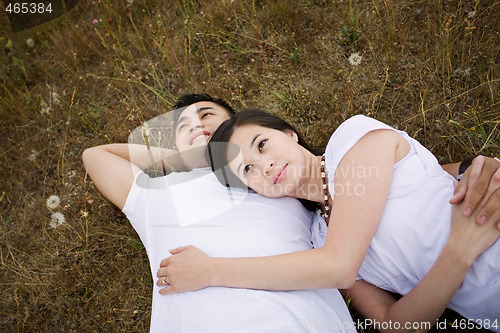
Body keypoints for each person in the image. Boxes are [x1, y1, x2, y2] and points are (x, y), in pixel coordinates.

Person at [156, 108, 500, 332]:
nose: (265, 167)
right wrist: (458, 253)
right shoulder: (319, 240)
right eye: (247, 170)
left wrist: (212, 271)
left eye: (262, 145)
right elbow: (396, 325)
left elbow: (340, 265)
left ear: (289, 133)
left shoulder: (351, 143)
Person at [82, 94, 358, 332]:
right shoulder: (157, 191)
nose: (197, 126)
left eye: (206, 115)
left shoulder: (280, 178)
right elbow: (96, 155)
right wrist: (190, 158)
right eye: (184, 126)